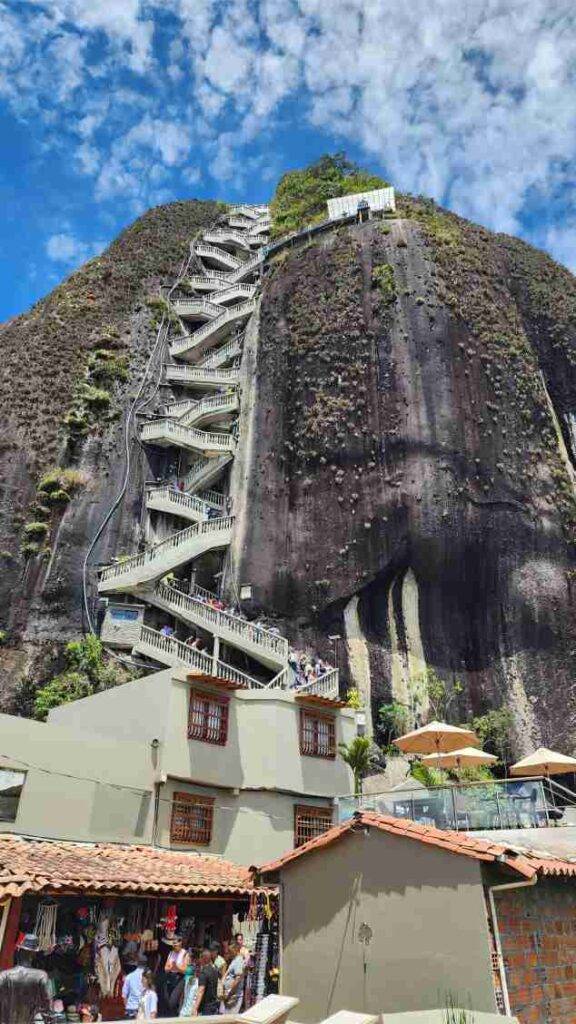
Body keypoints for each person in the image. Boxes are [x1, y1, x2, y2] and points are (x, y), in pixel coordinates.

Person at [0, 941, 51, 1024]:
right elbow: (46, 1005)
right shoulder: (41, 976)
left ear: (19, 952)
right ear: (33, 955)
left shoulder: (4, 975)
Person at [163, 936, 189, 1013]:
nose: (174, 946)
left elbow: (185, 970)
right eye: (173, 944)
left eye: (176, 944)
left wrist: (176, 967)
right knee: (166, 999)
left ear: (180, 944)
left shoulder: (185, 954)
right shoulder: (171, 953)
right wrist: (174, 967)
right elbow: (166, 968)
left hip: (179, 978)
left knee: (172, 1001)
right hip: (170, 977)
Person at [220, 942, 246, 1014]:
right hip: (229, 994)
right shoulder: (234, 960)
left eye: (230, 951)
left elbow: (237, 979)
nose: (229, 953)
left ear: (235, 951)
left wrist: (229, 991)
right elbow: (228, 972)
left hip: (233, 995)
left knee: (230, 1018)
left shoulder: (238, 960)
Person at [192, 948, 219, 1016]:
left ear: (203, 958)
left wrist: (195, 1008)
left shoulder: (203, 973)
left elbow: (201, 990)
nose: (199, 960)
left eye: (200, 957)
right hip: (214, 1005)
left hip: (206, 1008)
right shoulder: (214, 970)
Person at [122, 953, 147, 1019]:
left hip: (130, 1008)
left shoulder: (129, 976)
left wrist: (127, 1007)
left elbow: (124, 995)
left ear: (137, 963)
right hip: (142, 1008)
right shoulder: (147, 977)